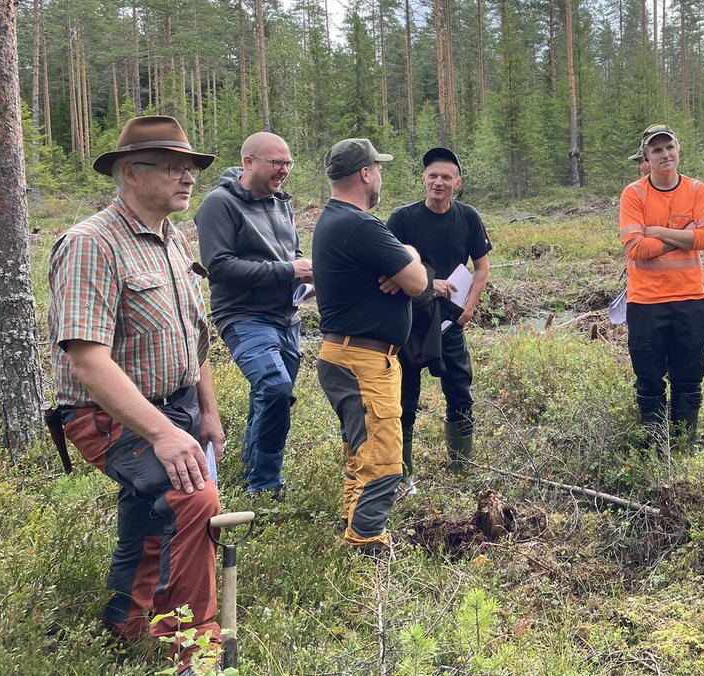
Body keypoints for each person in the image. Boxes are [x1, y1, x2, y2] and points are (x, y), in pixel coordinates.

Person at [47, 116, 225, 673]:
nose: (187, 176)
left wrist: (208, 414)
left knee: (150, 512)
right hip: (108, 414)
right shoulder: (89, 244)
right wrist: (164, 433)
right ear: (130, 173)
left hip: (176, 406)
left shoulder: (174, 242)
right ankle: (192, 649)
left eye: (190, 166)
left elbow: (195, 339)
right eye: (172, 166)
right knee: (191, 500)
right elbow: (87, 359)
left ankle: (126, 620)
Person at [313, 138, 427, 553]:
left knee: (361, 449)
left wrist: (406, 253)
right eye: (377, 169)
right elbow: (418, 283)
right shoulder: (359, 224)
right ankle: (367, 543)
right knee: (382, 458)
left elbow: (410, 267)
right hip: (361, 359)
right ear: (365, 173)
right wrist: (408, 263)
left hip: (352, 356)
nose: (380, 177)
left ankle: (354, 524)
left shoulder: (337, 220)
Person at [195, 132, 308, 497]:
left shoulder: (281, 203)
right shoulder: (219, 204)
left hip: (288, 316)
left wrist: (307, 278)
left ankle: (251, 469)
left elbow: (292, 253)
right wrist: (290, 271)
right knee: (275, 388)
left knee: (270, 394)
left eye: (287, 163)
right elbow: (220, 266)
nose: (283, 170)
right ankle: (265, 485)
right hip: (243, 316)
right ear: (248, 161)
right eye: (275, 162)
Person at [386, 147, 492, 484]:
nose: (438, 182)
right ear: (423, 179)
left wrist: (469, 308)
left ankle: (461, 466)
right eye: (433, 176)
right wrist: (429, 283)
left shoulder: (468, 217)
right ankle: (402, 473)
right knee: (403, 399)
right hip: (410, 323)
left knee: (460, 391)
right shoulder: (403, 218)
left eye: (446, 177)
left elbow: (482, 267)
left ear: (458, 182)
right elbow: (389, 268)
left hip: (450, 325)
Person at [619, 124, 704, 445]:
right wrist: (684, 236)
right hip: (646, 303)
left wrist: (657, 232)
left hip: (690, 300)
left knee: (689, 380)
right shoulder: (634, 194)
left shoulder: (696, 190)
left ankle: (684, 443)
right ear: (646, 157)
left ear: (678, 150)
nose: (665, 154)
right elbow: (635, 248)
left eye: (669, 147)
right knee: (648, 381)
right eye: (657, 150)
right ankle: (657, 446)